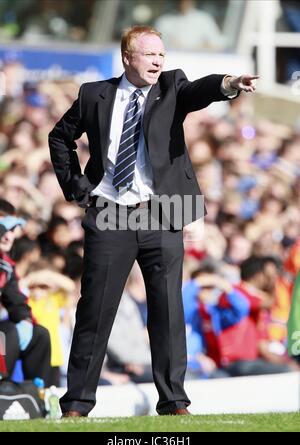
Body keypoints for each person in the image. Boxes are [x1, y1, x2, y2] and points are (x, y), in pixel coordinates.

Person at [49, 25, 259, 417]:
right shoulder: (93, 94)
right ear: (128, 57)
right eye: (150, 55)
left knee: (167, 310)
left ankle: (174, 401)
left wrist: (229, 83)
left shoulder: (172, 87)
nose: (158, 61)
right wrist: (78, 189)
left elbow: (202, 90)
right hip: (110, 211)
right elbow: (59, 138)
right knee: (95, 310)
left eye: (161, 55)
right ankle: (76, 404)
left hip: (163, 214)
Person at [0, 200, 51, 384]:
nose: (8, 236)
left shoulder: (6, 266)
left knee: (39, 334)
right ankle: (3, 390)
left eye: (13, 230)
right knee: (7, 332)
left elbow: (16, 301)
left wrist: (25, 320)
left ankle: (38, 395)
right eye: (3, 229)